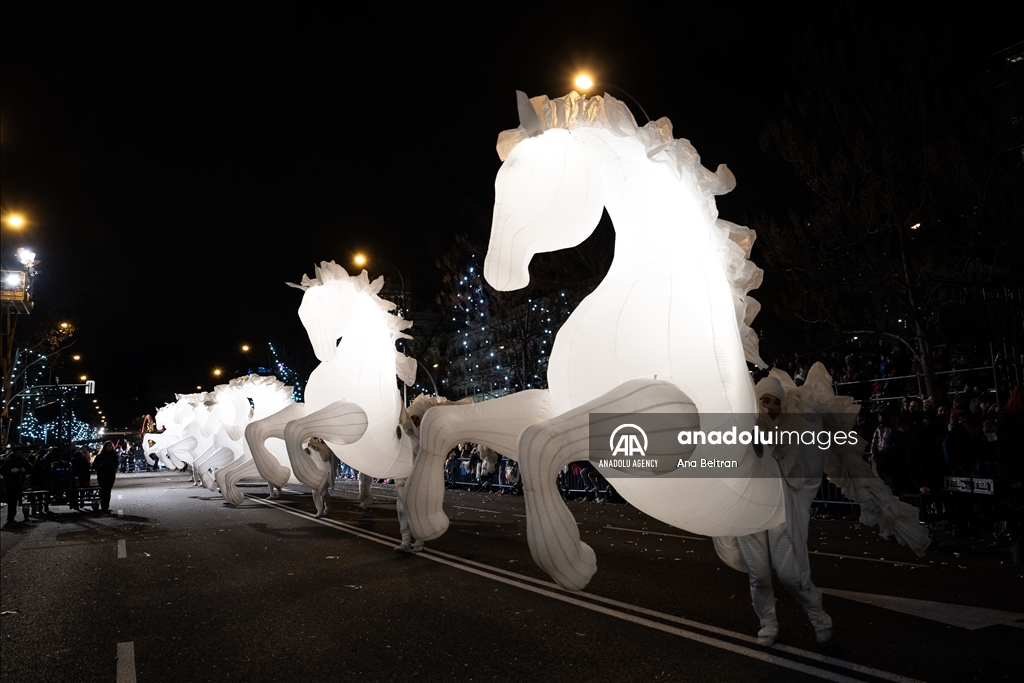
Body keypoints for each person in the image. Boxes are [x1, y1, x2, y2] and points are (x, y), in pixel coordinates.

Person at [730, 375, 833, 647]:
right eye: (765, 400)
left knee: (790, 575)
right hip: (749, 513)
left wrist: (778, 449)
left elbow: (800, 472)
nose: (771, 407)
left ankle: (819, 617)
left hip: (779, 511)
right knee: (760, 575)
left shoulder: (788, 434)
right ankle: (768, 624)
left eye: (776, 402)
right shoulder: (739, 430)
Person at [1, 449, 31, 527]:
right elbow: (3, 471)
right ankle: (10, 517)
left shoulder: (24, 461)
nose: (18, 454)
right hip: (11, 484)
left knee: (21, 501)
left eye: (20, 453)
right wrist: (11, 471)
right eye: (17, 453)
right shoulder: (9, 461)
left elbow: (30, 469)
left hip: (21, 483)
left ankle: (25, 515)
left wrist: (25, 470)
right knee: (12, 501)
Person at [93, 441, 119, 513]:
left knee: (108, 491)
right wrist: (101, 468)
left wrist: (111, 469)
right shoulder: (100, 456)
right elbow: (94, 465)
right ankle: (103, 506)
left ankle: (106, 506)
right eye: (108, 446)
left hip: (110, 475)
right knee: (103, 490)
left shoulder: (114, 456)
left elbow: (116, 464)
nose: (110, 447)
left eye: (111, 446)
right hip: (102, 475)